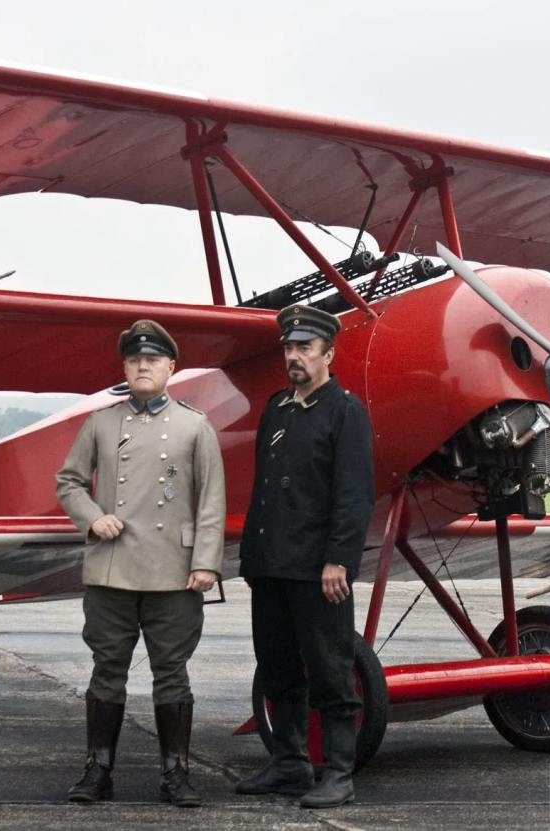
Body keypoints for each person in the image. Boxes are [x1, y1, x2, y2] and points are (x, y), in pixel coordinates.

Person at [56, 319, 225, 808]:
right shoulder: (101, 423)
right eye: (134, 360)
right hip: (112, 568)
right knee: (107, 669)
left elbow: (212, 499)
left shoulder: (196, 425)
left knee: (172, 672)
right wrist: (93, 517)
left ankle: (176, 774)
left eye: (152, 360)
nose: (143, 366)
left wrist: (207, 563)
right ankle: (97, 771)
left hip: (174, 572)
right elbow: (68, 481)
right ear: (125, 368)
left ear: (171, 368)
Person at [235, 303, 375, 809]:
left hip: (319, 570)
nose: (294, 356)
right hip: (271, 564)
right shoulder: (278, 407)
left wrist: (339, 558)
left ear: (328, 354)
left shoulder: (346, 411)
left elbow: (354, 494)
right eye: (289, 348)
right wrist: (254, 559)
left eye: (305, 348)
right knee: (276, 668)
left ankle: (339, 771)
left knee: (331, 670)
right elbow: (267, 490)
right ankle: (289, 763)